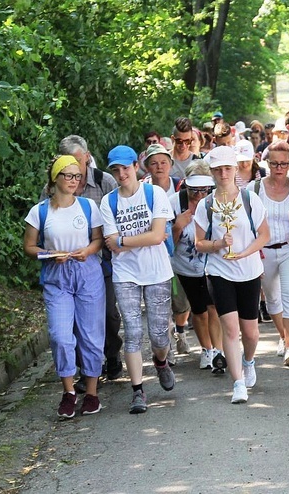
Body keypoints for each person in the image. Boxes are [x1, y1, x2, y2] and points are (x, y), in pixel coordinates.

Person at [24, 155, 106, 418]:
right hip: (56, 275)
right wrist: (48, 254)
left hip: (87, 272)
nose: (73, 180)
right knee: (60, 336)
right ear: (55, 178)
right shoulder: (40, 211)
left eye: (77, 176)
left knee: (91, 335)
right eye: (68, 176)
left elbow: (98, 240)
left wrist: (88, 251)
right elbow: (29, 247)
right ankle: (69, 392)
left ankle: (92, 393)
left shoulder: (88, 207)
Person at [41, 135, 122, 389]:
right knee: (72, 323)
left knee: (107, 315)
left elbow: (118, 215)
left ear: (87, 156)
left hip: (102, 259)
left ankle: (111, 354)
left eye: (78, 161)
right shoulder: (49, 192)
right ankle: (85, 372)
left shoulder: (104, 181)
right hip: (64, 267)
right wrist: (51, 252)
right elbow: (44, 224)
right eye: (68, 166)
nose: (75, 169)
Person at [100, 145, 177, 414]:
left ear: (136, 166)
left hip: (157, 271)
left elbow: (157, 236)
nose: (121, 174)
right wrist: (129, 241)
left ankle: (160, 362)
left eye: (125, 167)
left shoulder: (154, 193)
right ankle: (137, 391)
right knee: (132, 333)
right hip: (125, 274)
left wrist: (122, 239)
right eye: (116, 170)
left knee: (159, 336)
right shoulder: (108, 201)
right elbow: (111, 245)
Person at [194, 146, 270, 404]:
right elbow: (198, 242)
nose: (223, 173)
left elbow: (264, 235)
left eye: (227, 168)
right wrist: (217, 244)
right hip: (219, 271)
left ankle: (248, 361)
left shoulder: (250, 199)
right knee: (230, 328)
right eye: (218, 170)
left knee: (251, 333)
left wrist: (245, 252)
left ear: (235, 169)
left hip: (248, 271)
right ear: (212, 173)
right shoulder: (206, 204)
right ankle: (237, 383)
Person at [248, 141, 289, 366]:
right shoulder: (254, 189)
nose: (279, 168)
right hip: (264, 251)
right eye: (274, 164)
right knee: (272, 299)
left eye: (284, 163)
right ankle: (283, 336)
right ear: (266, 163)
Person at [170, 160, 226, 371]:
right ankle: (206, 349)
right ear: (186, 184)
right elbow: (167, 246)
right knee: (199, 310)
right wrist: (177, 226)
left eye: (204, 189)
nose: (199, 194)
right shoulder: (174, 203)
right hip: (185, 266)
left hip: (213, 264)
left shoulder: (216, 201)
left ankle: (218, 352)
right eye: (194, 189)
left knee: (214, 307)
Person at [142, 144, 189, 361]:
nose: (159, 167)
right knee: (161, 303)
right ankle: (166, 346)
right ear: (146, 167)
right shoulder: (142, 189)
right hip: (153, 253)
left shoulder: (181, 186)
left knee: (181, 301)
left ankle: (181, 331)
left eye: (163, 162)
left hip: (181, 252)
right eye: (154, 163)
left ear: (171, 165)